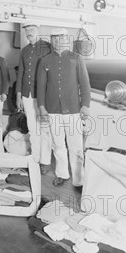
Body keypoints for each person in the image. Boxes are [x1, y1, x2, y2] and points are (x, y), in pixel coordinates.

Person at [37, 29, 91, 189]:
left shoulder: (76, 58)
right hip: (52, 109)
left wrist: (86, 105)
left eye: (60, 38)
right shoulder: (45, 61)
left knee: (76, 147)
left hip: (73, 110)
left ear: (66, 39)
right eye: (54, 38)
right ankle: (62, 174)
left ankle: (79, 179)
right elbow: (41, 87)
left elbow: (85, 84)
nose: (57, 41)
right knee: (57, 144)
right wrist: (41, 107)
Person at [16, 27, 52, 170]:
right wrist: (18, 94)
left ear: (37, 31)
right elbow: (21, 73)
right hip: (27, 94)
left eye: (31, 30)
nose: (29, 33)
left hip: (42, 94)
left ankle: (45, 161)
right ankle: (35, 158)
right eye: (26, 30)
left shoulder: (46, 47)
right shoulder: (24, 51)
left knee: (44, 129)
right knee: (32, 128)